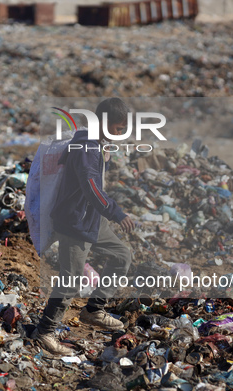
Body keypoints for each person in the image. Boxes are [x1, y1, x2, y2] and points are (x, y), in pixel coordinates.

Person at [32, 98, 136, 355]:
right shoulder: (86, 146)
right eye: (118, 128)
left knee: (122, 255)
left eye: (123, 129)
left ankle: (93, 310)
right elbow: (91, 186)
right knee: (70, 281)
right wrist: (115, 212)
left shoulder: (94, 142)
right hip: (75, 222)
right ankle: (43, 332)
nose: (120, 133)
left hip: (91, 219)